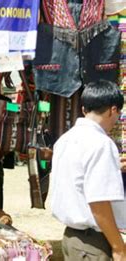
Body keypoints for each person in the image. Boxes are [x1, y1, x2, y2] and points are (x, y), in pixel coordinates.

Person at [50, 80, 126, 261]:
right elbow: (98, 202)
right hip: (93, 243)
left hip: (72, 238)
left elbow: (78, 178)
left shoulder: (66, 139)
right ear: (113, 110)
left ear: (84, 110)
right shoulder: (101, 143)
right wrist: (118, 247)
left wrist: (115, 167)